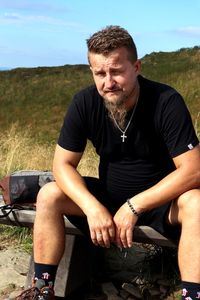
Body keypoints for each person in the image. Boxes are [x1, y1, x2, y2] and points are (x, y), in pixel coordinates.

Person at [16, 25, 200, 300]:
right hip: (108, 199)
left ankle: (192, 295)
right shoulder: (84, 102)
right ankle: (42, 291)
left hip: (160, 204)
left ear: (136, 67)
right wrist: (92, 208)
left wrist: (135, 206)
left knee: (197, 202)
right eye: (100, 73)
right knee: (49, 194)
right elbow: (62, 165)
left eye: (116, 71)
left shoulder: (165, 101)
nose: (108, 82)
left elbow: (194, 170)